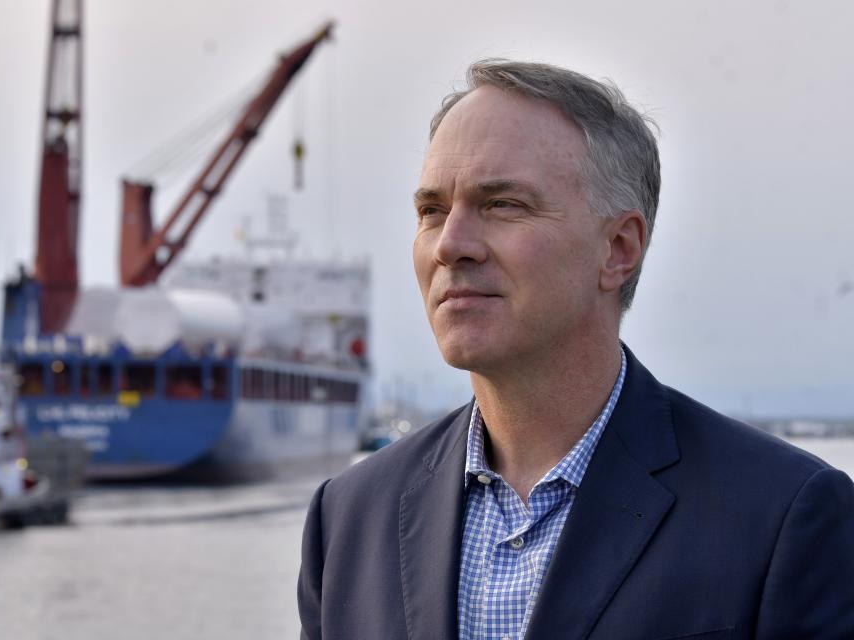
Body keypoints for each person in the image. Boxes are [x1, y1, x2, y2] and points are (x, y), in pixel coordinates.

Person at [297, 60, 854, 640]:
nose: (451, 245)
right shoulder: (348, 519)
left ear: (618, 248)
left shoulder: (781, 516)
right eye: (432, 211)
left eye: (502, 204)